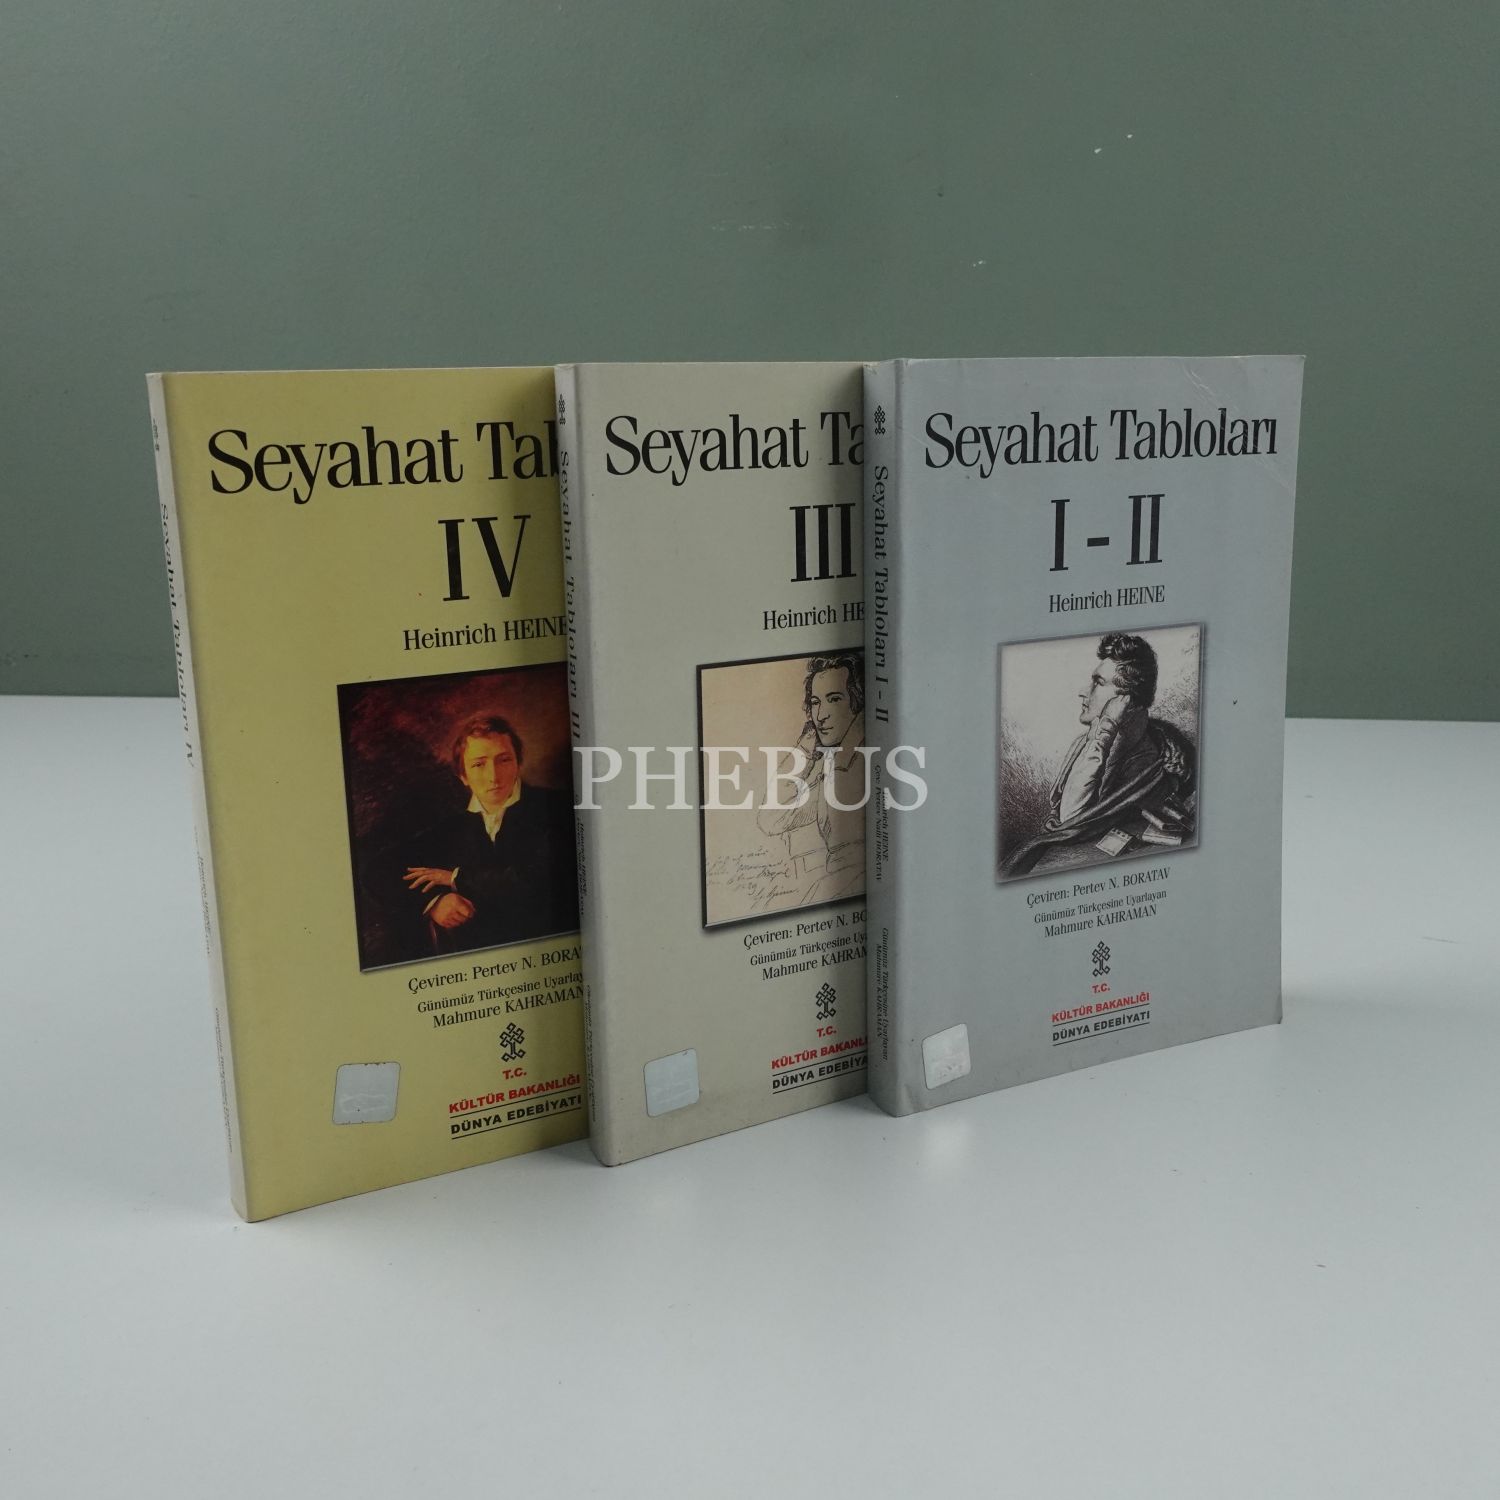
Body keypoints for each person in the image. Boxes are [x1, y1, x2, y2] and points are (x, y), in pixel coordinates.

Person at [1002, 633, 1195, 877]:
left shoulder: (1143, 760)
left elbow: (1070, 821)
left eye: (1098, 682)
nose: (1084, 691)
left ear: (1126, 701)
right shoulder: (1088, 742)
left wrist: (1106, 728)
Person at [399, 714, 579, 953]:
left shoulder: (558, 806)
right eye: (478, 764)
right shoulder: (450, 828)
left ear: (518, 764)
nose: (493, 776)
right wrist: (435, 902)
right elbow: (378, 868)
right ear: (463, 776)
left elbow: (538, 879)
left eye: (503, 760)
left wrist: (455, 879)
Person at [757, 653, 867, 905]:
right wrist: (806, 748)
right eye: (815, 702)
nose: (820, 715)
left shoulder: (854, 761)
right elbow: (771, 817)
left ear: (857, 701)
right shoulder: (834, 762)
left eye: (834, 699)